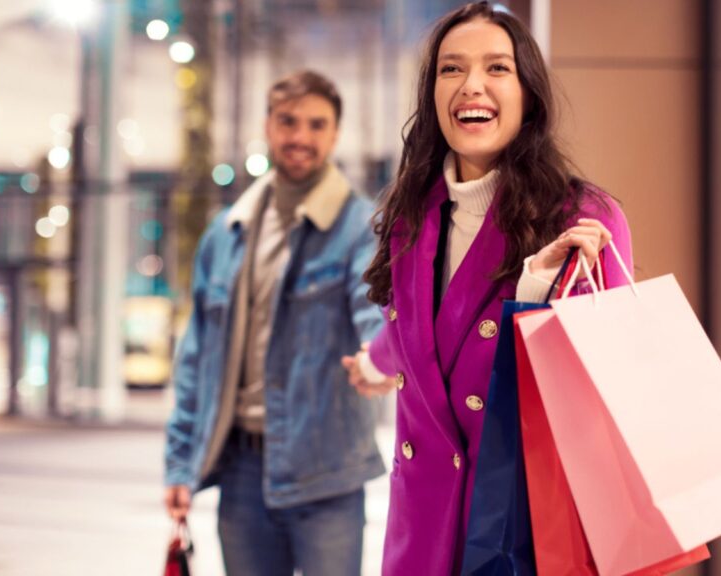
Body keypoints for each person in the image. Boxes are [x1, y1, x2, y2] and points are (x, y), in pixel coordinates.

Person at [342, 3, 636, 574]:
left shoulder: (582, 218)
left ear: (529, 93)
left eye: (497, 68)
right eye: (451, 69)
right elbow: (417, 340)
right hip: (422, 528)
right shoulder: (408, 216)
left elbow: (597, 390)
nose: (471, 85)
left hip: (524, 525)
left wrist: (534, 292)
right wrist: (374, 366)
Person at [164, 70, 388, 576]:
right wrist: (181, 464)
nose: (300, 137)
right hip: (242, 471)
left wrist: (379, 356)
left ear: (335, 134)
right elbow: (196, 358)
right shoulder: (226, 234)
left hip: (327, 471)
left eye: (316, 124)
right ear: (268, 125)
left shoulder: (360, 229)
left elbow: (371, 305)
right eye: (288, 121)